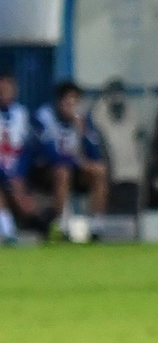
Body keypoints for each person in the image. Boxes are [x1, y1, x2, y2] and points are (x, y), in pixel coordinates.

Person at [31, 80, 108, 234]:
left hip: (75, 169)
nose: (71, 106)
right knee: (62, 172)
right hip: (46, 171)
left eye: (75, 101)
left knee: (100, 170)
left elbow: (94, 153)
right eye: (68, 100)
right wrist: (78, 162)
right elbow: (49, 153)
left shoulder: (83, 119)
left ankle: (96, 224)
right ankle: (60, 225)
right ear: (59, 101)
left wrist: (83, 131)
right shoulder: (44, 117)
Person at [0, 70, 45, 241]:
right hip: (2, 172)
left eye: (7, 89)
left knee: (24, 196)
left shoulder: (23, 114)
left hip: (19, 172)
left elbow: (29, 148)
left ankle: (43, 225)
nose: (3, 93)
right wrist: (6, 176)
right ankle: (7, 230)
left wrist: (18, 174)